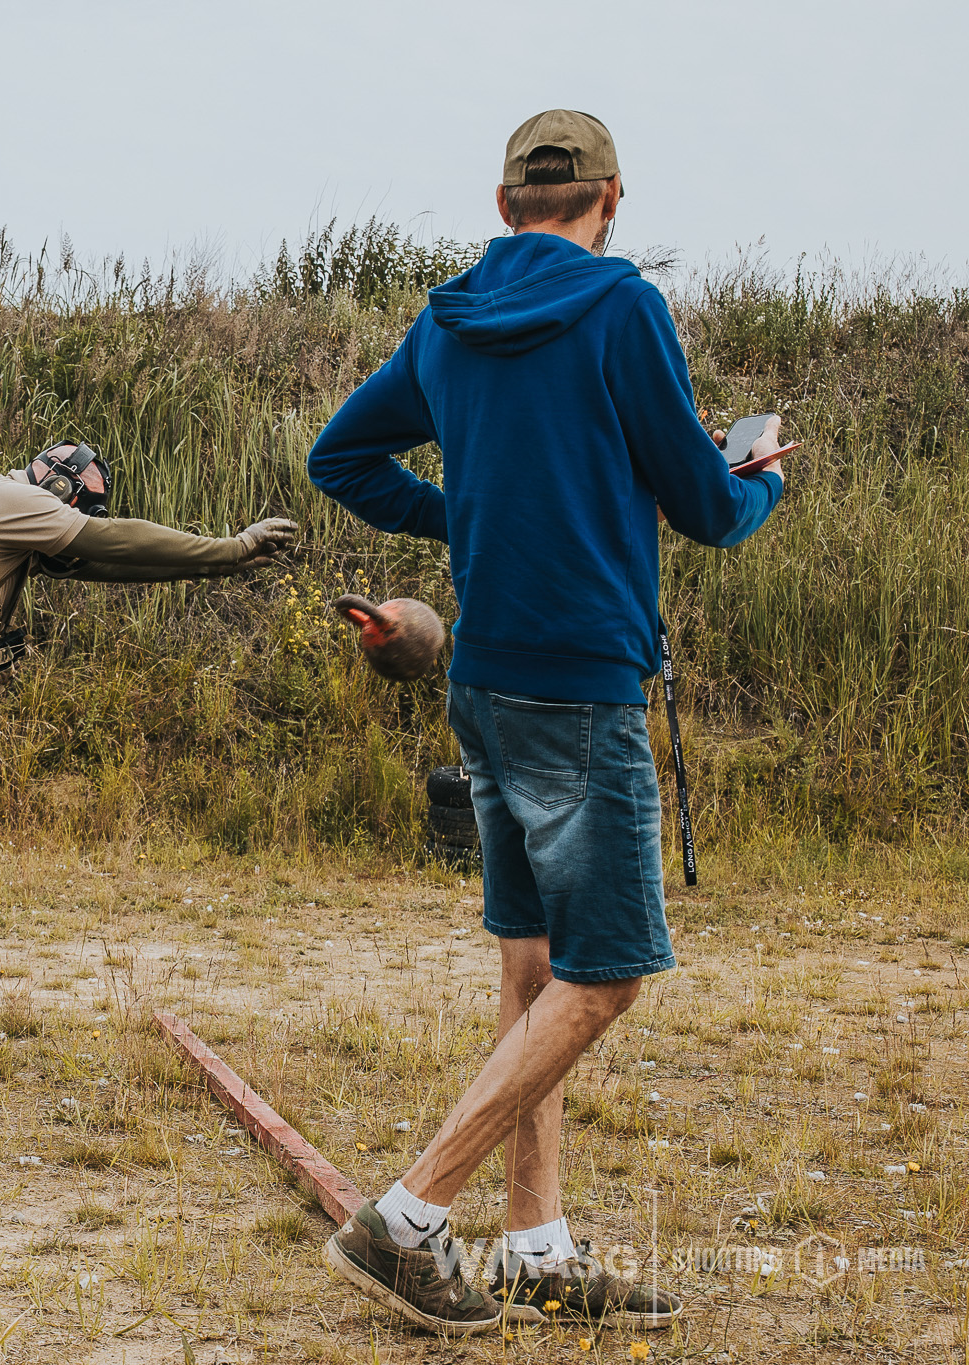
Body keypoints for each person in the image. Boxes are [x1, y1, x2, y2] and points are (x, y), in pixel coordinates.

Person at [306, 110, 784, 1335]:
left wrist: (466, 518)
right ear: (608, 199)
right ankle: (408, 1216)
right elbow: (699, 504)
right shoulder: (621, 309)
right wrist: (758, 483)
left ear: (506, 200)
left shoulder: (447, 317)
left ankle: (534, 1240)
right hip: (580, 684)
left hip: (486, 681)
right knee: (608, 972)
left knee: (530, 965)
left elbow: (341, 459)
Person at [0, 441, 297, 1081]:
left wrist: (213, 567)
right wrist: (231, 548)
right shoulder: (14, 499)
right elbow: (111, 540)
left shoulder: (2, 505)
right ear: (59, 492)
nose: (74, 530)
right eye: (79, 509)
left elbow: (109, 560)